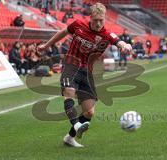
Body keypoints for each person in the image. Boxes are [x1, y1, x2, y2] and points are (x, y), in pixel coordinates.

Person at [38, 2, 132, 148]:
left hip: (87, 71)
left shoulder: (107, 34)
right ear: (91, 17)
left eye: (101, 20)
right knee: (69, 91)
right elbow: (63, 32)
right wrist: (47, 45)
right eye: (96, 20)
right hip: (71, 64)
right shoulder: (78, 25)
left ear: (104, 18)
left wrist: (126, 46)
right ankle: (76, 125)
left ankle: (69, 138)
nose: (98, 23)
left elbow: (119, 41)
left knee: (89, 112)